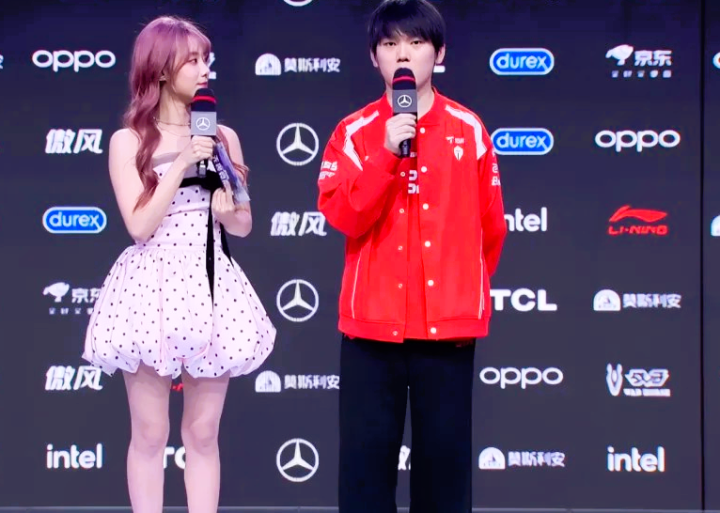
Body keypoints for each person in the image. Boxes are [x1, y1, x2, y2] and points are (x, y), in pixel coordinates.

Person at [316, 1, 507, 512]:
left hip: (446, 332)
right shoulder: (353, 132)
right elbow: (344, 216)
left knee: (444, 476)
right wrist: (385, 153)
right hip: (370, 331)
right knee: (364, 473)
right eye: (390, 44)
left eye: (416, 42)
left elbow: (491, 227)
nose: (403, 54)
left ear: (438, 54)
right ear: (374, 57)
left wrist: (461, 292)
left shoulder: (469, 129)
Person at [82, 16, 276, 513]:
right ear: (162, 69)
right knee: (150, 431)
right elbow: (139, 225)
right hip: (152, 286)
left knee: (203, 431)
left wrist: (227, 208)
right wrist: (184, 163)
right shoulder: (129, 140)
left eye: (206, 59)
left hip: (211, 281)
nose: (205, 69)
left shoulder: (223, 136)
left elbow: (244, 224)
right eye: (193, 60)